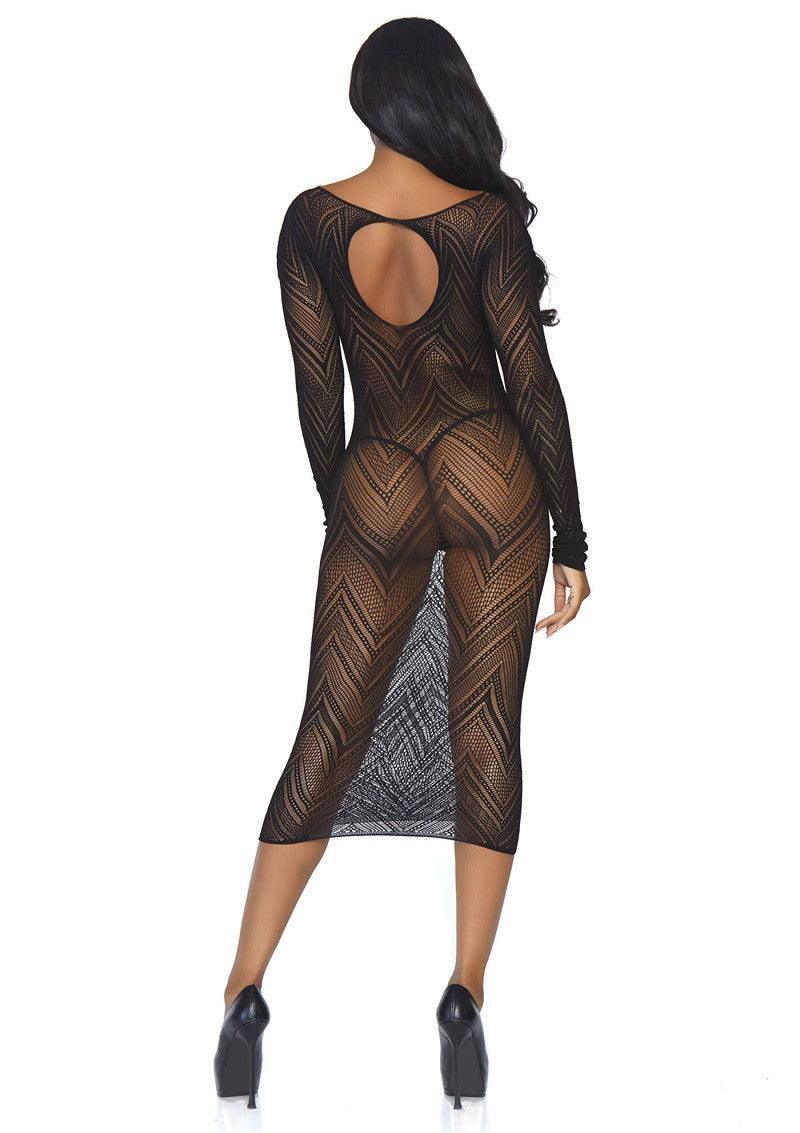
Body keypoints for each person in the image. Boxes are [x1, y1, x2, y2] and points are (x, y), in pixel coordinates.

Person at [214, 16, 590, 1110]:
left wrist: (345, 508)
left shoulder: (311, 220)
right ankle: (465, 991)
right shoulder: (483, 221)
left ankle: (244, 986)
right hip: (490, 472)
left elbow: (313, 387)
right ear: (445, 98)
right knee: (484, 731)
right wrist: (571, 538)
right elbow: (532, 384)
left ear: (366, 99)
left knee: (325, 732)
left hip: (377, 473)